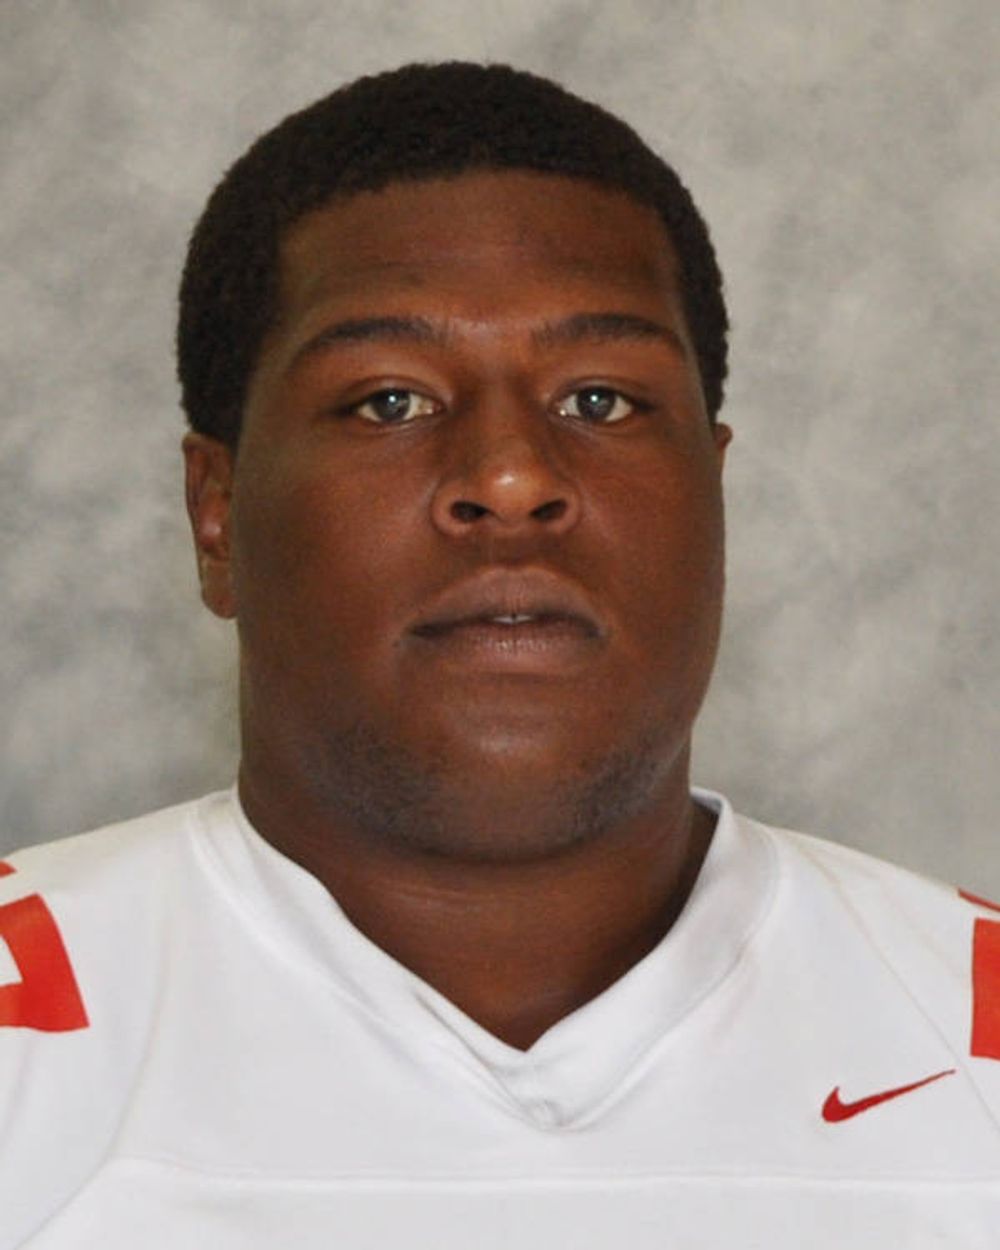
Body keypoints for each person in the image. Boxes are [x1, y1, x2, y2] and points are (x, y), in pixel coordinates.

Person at [1, 61, 998, 1248]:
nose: (513, 478)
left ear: (712, 488)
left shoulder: (965, 1026)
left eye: (598, 400)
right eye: (389, 400)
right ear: (216, 515)